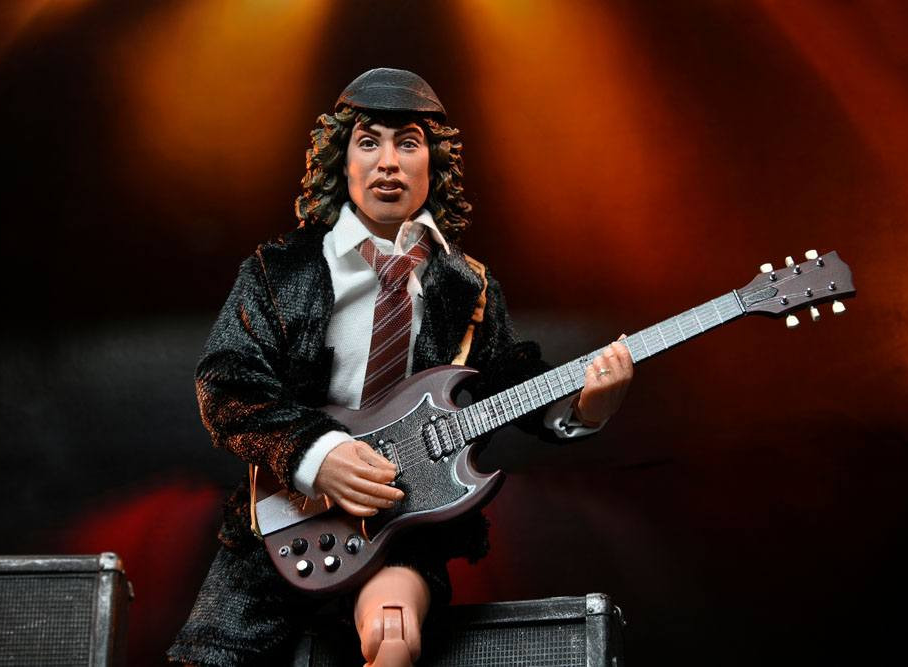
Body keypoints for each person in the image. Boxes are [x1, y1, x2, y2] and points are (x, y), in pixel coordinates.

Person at [168, 68, 633, 667]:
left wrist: (585, 405)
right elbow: (227, 381)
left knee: (393, 631)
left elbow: (512, 378)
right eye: (369, 142)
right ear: (341, 162)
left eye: (408, 143)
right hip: (284, 517)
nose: (388, 162)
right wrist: (317, 455)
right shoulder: (280, 270)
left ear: (434, 164)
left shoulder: (467, 286)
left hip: (407, 518)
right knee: (210, 655)